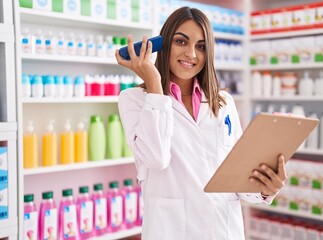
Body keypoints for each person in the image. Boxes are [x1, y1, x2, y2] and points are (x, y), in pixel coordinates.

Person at [115, 6, 287, 240]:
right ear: (163, 44)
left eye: (201, 46)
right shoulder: (134, 100)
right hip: (172, 230)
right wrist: (155, 85)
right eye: (181, 42)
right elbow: (156, 158)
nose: (191, 55)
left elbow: (236, 177)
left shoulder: (223, 102)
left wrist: (265, 189)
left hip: (223, 229)